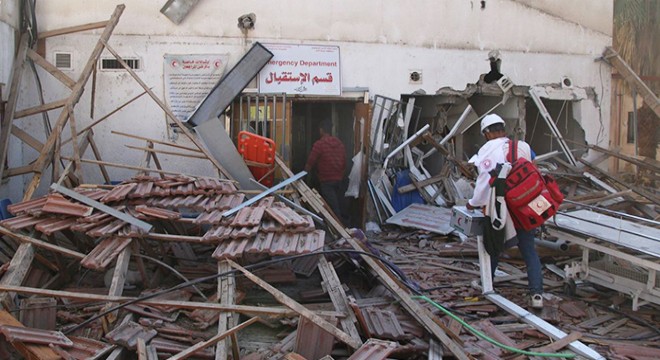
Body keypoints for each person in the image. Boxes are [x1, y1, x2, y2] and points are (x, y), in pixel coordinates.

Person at [466, 114, 544, 308]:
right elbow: (535, 172)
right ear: (503, 129)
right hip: (525, 207)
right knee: (529, 251)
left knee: (493, 247)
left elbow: (484, 182)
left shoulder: (486, 150)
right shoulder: (523, 146)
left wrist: (473, 203)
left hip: (500, 209)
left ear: (486, 133)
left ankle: (488, 285)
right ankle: (536, 294)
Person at [305, 120, 347, 223]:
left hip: (326, 180)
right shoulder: (340, 144)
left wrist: (303, 176)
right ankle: (341, 224)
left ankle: (339, 228)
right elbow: (345, 162)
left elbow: (310, 162)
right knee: (338, 204)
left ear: (321, 130)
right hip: (339, 180)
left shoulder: (319, 145)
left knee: (331, 207)